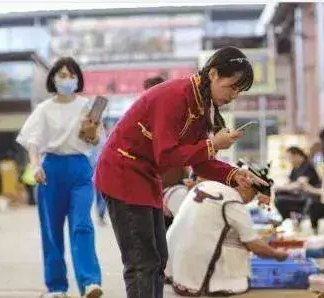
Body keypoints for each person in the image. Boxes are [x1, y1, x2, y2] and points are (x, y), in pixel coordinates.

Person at [94, 46, 267, 298]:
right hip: (124, 173)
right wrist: (212, 144)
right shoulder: (176, 95)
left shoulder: (200, 103)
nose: (235, 95)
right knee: (142, 262)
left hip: (146, 177)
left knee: (158, 260)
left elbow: (199, 162)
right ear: (214, 74)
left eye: (240, 90)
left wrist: (235, 175)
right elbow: (166, 155)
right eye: (232, 86)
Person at [16, 57, 103, 298]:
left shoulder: (87, 106)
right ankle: (56, 287)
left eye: (71, 75)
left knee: (82, 225)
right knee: (52, 230)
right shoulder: (44, 109)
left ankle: (90, 282)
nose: (67, 79)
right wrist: (35, 166)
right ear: (53, 78)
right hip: (51, 168)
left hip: (79, 168)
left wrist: (91, 131)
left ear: (78, 79)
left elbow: (95, 141)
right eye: (62, 75)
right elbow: (32, 141)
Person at [165, 163, 288, 296]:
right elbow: (254, 245)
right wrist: (278, 254)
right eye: (253, 195)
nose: (250, 201)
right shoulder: (232, 200)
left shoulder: (205, 186)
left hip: (172, 266)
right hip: (194, 274)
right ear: (245, 186)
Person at [273, 146, 321, 221]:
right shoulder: (295, 168)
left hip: (307, 197)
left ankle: (288, 220)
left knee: (279, 200)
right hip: (297, 194)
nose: (289, 160)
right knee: (278, 193)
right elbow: (289, 182)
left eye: (289, 157)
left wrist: (282, 187)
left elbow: (299, 185)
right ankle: (288, 221)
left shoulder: (308, 167)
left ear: (296, 155)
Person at [88, 122, 108, 226]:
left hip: (101, 168)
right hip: (90, 167)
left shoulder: (105, 136)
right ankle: (91, 214)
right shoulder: (89, 133)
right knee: (92, 192)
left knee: (100, 192)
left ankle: (100, 215)